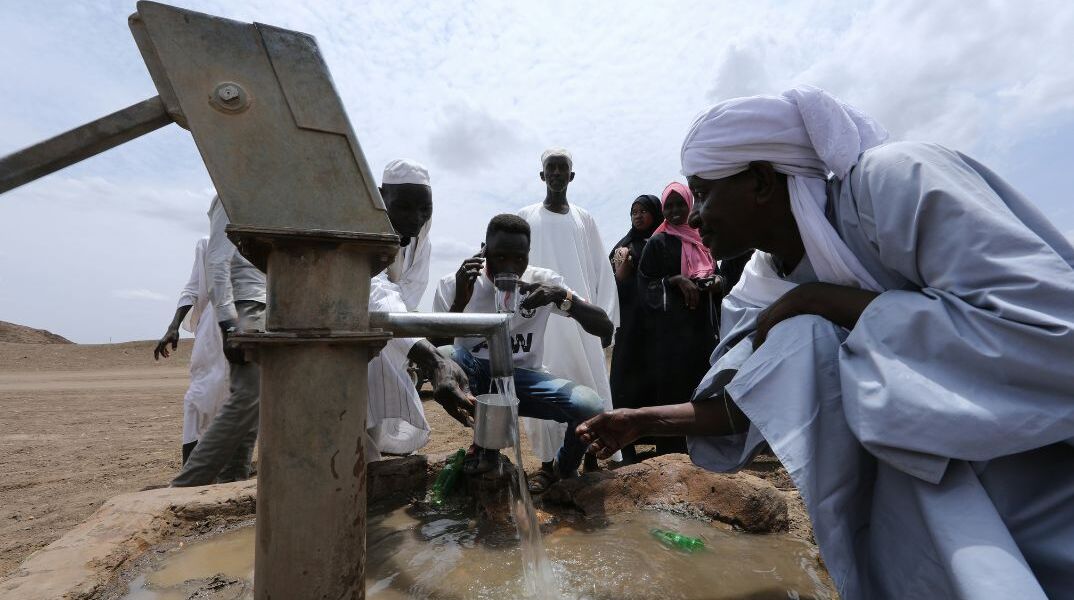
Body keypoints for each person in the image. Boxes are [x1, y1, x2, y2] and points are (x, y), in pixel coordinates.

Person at [578, 86, 1074, 599]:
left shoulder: (897, 183)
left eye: (703, 191)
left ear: (762, 181)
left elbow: (1049, 333)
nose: (694, 214)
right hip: (921, 503)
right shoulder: (759, 288)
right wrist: (639, 419)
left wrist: (823, 301)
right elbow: (744, 404)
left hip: (1034, 468)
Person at [433, 214, 613, 488]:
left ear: (528, 255)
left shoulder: (541, 282)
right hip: (475, 380)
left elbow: (603, 326)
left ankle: (564, 469)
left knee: (589, 406)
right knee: (449, 354)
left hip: (522, 381)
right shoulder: (456, 283)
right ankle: (483, 449)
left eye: (519, 259)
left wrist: (561, 298)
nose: (510, 267)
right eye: (500, 257)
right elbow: (433, 349)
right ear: (484, 251)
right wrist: (460, 300)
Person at [517, 148, 621, 473]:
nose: (557, 173)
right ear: (542, 174)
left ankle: (590, 457)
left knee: (587, 382)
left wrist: (604, 322)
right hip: (541, 322)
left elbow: (600, 272)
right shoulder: (526, 216)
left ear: (571, 175)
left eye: (563, 168)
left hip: (579, 318)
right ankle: (548, 465)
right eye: (552, 168)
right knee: (547, 385)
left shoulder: (584, 218)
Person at [366, 159, 473, 458]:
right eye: (404, 207)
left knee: (371, 429)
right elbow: (375, 291)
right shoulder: (361, 231)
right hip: (352, 339)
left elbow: (405, 299)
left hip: (389, 337)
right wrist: (434, 360)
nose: (416, 217)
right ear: (379, 197)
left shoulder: (420, 243)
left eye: (424, 209)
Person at [171, 196, 265, 487]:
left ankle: (232, 481)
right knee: (249, 394)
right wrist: (227, 323)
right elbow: (217, 262)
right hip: (242, 304)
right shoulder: (233, 193)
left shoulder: (269, 192)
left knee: (254, 405)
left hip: (264, 301)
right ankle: (188, 483)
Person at [633, 182, 718, 456]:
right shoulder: (658, 242)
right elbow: (645, 283)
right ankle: (671, 451)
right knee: (673, 386)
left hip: (702, 327)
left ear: (690, 204)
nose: (675, 210)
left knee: (703, 384)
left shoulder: (704, 238)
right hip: (671, 333)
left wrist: (717, 282)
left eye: (680, 204)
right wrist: (675, 280)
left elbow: (719, 271)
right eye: (669, 206)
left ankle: (705, 449)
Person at [153, 237, 229, 465]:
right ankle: (189, 475)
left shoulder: (255, 242)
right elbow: (193, 288)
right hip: (212, 331)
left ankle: (231, 471)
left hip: (249, 324)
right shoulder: (207, 245)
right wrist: (173, 326)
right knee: (198, 397)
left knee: (237, 398)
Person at [607, 195, 662, 433]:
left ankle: (664, 437)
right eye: (634, 212)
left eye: (643, 211)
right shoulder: (624, 246)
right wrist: (621, 271)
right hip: (631, 324)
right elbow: (611, 285)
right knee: (627, 377)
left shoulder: (667, 240)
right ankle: (624, 438)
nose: (638, 216)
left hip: (661, 325)